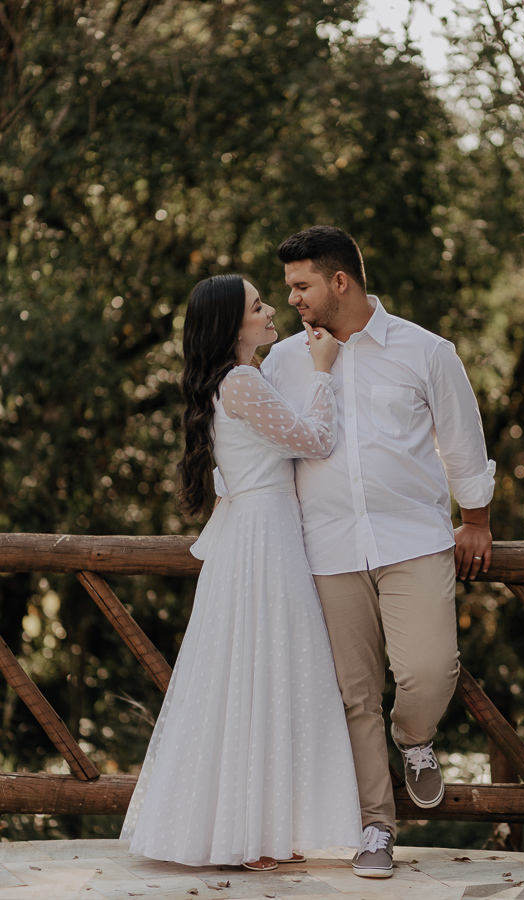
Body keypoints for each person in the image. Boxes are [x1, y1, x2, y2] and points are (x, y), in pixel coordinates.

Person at [251, 226, 495, 879]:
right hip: (326, 548)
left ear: (339, 282)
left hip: (413, 538)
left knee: (429, 670)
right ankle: (375, 829)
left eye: (300, 286)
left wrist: (476, 520)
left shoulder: (426, 351)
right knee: (355, 695)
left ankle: (415, 739)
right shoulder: (283, 363)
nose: (293, 299)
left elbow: (462, 442)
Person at [121, 273, 362, 870]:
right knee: (264, 674)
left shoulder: (226, 383)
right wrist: (325, 370)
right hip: (263, 539)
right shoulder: (243, 382)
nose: (272, 308)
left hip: (257, 533)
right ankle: (252, 835)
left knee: (253, 677)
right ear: (234, 325)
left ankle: (254, 829)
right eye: (259, 305)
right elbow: (314, 441)